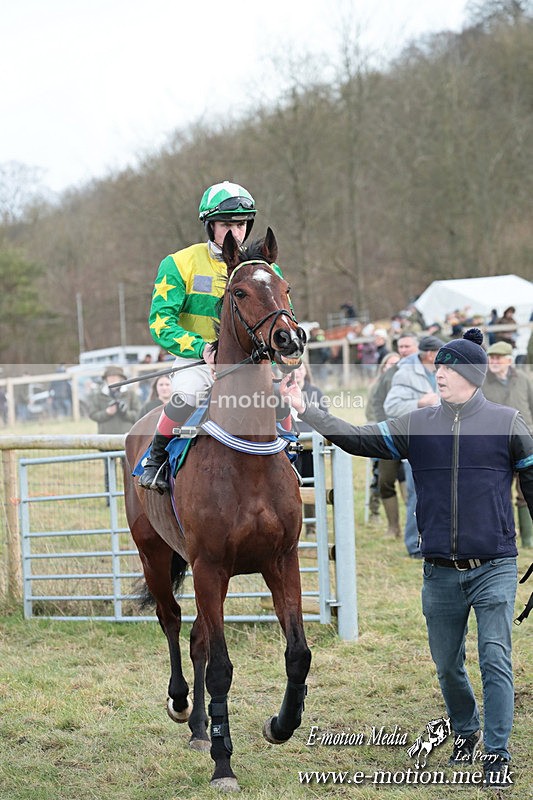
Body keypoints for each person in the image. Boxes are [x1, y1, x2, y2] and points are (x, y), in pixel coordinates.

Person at [280, 329, 533, 788]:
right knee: (447, 664)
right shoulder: (416, 425)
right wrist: (307, 410)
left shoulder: (509, 422)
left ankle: (496, 752)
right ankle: (465, 729)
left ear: (471, 377)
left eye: (448, 369)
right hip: (438, 571)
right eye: (437, 367)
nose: (438, 374)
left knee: (494, 658)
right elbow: (357, 438)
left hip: (494, 566)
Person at [139, 180, 284, 492]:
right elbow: (161, 323)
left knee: (283, 401)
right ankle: (156, 457)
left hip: (251, 363)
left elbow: (283, 318)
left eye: (242, 224)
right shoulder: (179, 263)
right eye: (226, 225)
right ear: (209, 225)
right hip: (199, 360)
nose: (235, 232)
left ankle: (289, 458)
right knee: (186, 398)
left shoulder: (265, 269)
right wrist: (201, 348)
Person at [384, 334, 445, 555]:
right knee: (417, 496)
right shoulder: (406, 374)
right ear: (430, 354)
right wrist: (420, 402)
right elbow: (392, 407)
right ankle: (414, 546)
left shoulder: (442, 372)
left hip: (441, 444)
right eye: (439, 353)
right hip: (417, 444)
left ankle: (436, 542)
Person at [482, 340, 533, 548]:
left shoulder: (524, 380)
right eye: (491, 358)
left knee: (526, 492)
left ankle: (529, 540)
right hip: (495, 446)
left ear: (509, 360)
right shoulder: (482, 383)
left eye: (497, 358)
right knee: (498, 494)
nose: (493, 361)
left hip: (524, 444)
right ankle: (504, 537)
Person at [371, 333, 418, 538]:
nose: (404, 350)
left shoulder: (425, 371)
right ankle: (393, 527)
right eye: (401, 346)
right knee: (385, 480)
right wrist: (385, 425)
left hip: (417, 435)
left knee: (416, 484)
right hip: (391, 435)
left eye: (408, 346)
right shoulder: (389, 374)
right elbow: (377, 401)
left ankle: (416, 529)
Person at [366, 351, 401, 528]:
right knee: (379, 477)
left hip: (403, 437)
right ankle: (375, 511)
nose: (392, 368)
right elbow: (371, 413)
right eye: (389, 364)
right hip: (382, 436)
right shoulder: (376, 387)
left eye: (396, 364)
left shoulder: (404, 385)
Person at [289, 363, 324, 537]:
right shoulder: (283, 392)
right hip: (292, 445)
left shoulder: (316, 392)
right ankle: (294, 526)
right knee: (292, 485)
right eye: (294, 368)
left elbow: (323, 416)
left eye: (301, 368)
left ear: (306, 371)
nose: (298, 372)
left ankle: (312, 527)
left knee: (312, 483)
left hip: (311, 446)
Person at [88, 366, 141, 434]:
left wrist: (125, 413)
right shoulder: (99, 395)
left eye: (115, 376)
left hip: (127, 436)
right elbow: (92, 414)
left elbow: (139, 414)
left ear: (121, 378)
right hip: (105, 437)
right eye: (110, 376)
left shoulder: (130, 394)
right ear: (106, 379)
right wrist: (107, 413)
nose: (112, 378)